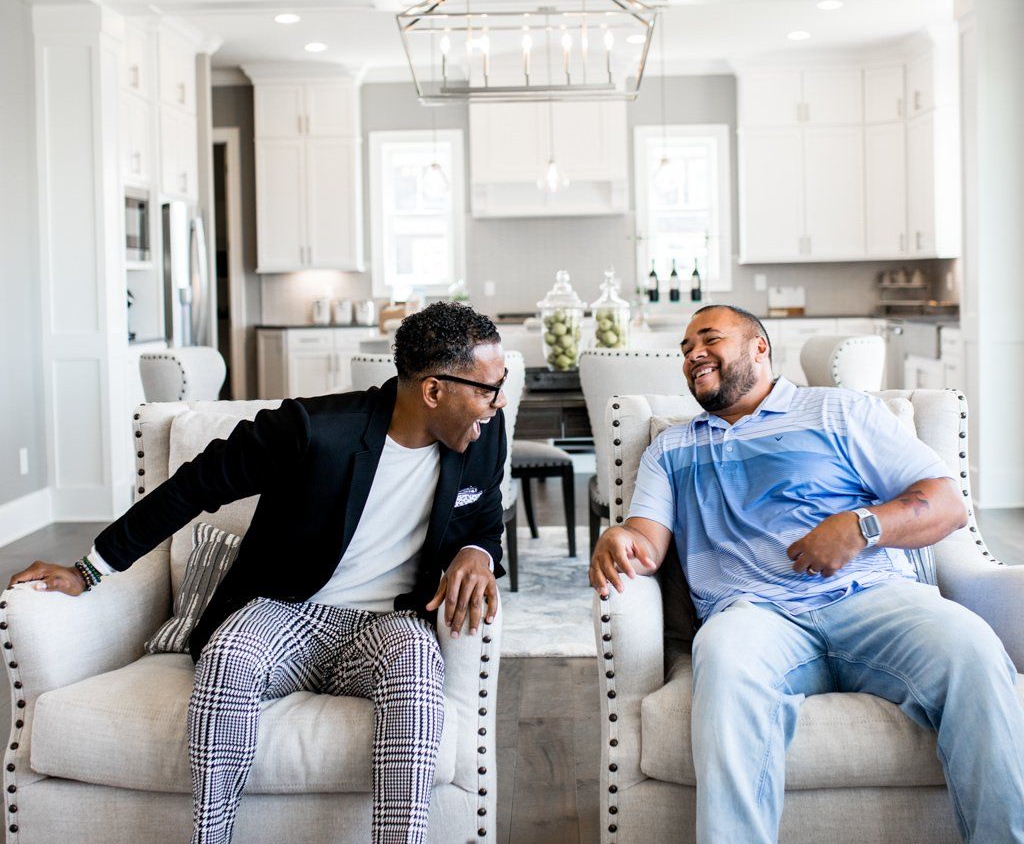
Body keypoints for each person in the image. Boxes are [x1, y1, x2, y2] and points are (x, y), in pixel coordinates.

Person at [9, 301, 510, 844]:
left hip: (389, 624)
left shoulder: (483, 431)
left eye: (499, 383)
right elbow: (192, 487)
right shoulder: (312, 429)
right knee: (230, 654)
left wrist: (477, 553)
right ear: (433, 390)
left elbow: (482, 518)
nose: (498, 400)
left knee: (416, 668)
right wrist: (90, 568)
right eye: (487, 388)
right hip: (285, 611)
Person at [589, 304, 1024, 844]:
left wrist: (861, 526)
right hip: (752, 616)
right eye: (684, 349)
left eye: (708, 339)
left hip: (875, 598)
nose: (691, 354)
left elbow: (945, 504)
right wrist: (618, 536)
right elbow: (645, 546)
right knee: (722, 662)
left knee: (974, 650)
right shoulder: (671, 449)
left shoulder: (840, 411)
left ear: (759, 347)